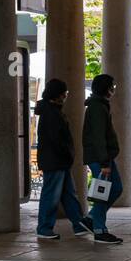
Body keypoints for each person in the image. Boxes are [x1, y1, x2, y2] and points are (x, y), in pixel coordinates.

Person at [35, 78, 92, 241]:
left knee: (69, 194)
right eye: (65, 93)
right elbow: (57, 139)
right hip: (55, 161)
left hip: (58, 160)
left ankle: (78, 224)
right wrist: (68, 153)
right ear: (58, 95)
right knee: (51, 195)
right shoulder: (52, 113)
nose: (66, 95)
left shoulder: (51, 110)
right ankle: (44, 227)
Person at [81, 74, 123, 244]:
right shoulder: (98, 107)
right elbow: (98, 136)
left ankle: (91, 219)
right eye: (112, 86)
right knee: (103, 193)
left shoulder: (100, 105)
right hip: (101, 158)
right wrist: (104, 162)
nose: (114, 89)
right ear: (106, 88)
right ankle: (99, 230)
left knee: (114, 189)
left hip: (103, 157)